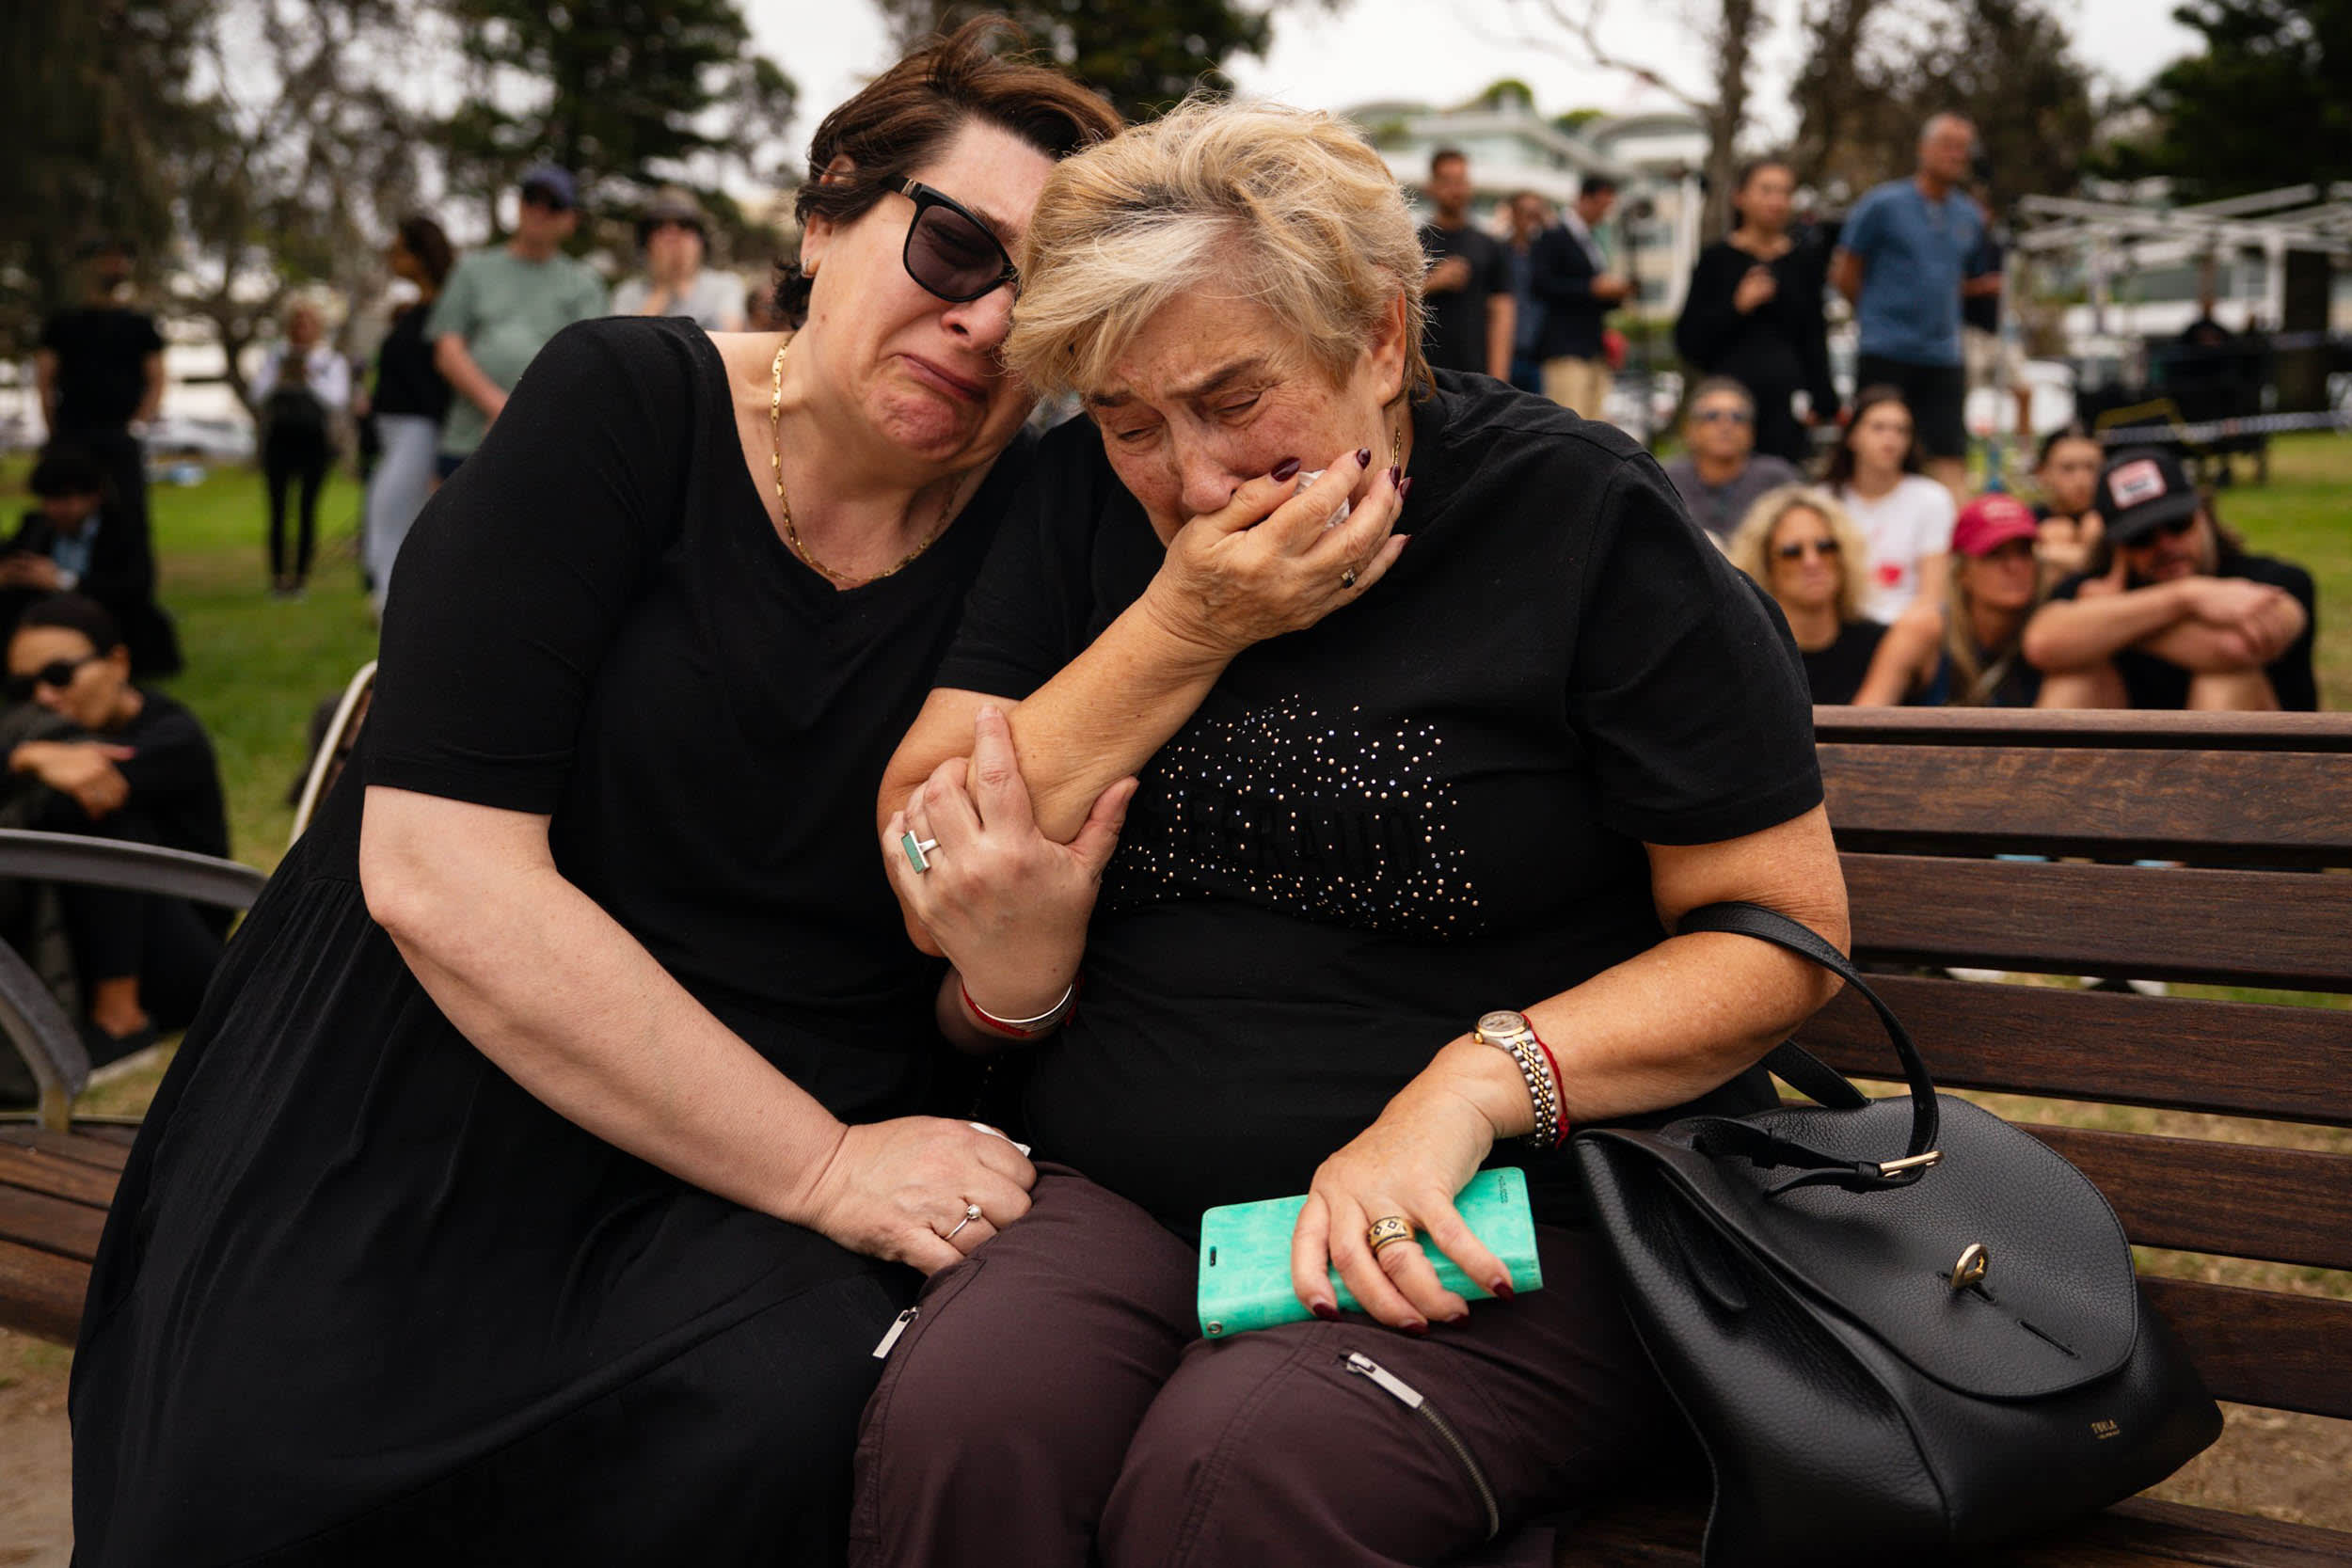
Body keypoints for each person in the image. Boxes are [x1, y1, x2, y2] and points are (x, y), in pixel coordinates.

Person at [68, 26, 1120, 1564]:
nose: (986, 320)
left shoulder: (1042, 522)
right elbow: (440, 874)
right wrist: (827, 1170)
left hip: (759, 1177)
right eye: (956, 244)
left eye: (1049, 301)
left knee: (781, 1419)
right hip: (429, 1087)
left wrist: (993, 1013)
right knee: (263, 1460)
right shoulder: (621, 405)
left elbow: (984, 935)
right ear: (827, 215)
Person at [854, 100, 1847, 1568]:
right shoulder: (1081, 513)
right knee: (964, 1421)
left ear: (1381, 337)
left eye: (1235, 398)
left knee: (1242, 1476)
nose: (1193, 482)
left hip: (1509, 1208)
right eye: (1131, 422)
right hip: (1129, 1188)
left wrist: (1474, 1082)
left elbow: (1781, 931)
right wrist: (1186, 624)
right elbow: (921, 855)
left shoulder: (1574, 518)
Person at [1, 594, 228, 1063]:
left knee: (95, 807)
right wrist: (26, 757)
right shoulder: (46, 738)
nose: (44, 697)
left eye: (59, 675)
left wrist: (25, 760)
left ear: (118, 662)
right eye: (25, 688)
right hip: (75, 941)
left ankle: (121, 1020)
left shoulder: (174, 737)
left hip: (180, 956)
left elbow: (87, 785)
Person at [2025, 448, 2316, 712]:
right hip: (2130, 764)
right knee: (2075, 681)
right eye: (2142, 536)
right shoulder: (2098, 583)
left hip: (2269, 767)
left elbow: (2236, 647)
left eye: (2177, 524)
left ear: (2203, 513)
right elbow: (2042, 642)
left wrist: (2113, 622)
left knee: (2226, 680)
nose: (2165, 546)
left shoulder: (2271, 578)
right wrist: (2187, 597)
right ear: (2116, 547)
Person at [1830, 114, 1996, 494]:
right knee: (1876, 449)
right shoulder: (1882, 205)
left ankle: (1954, 547)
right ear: (1923, 149)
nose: (1956, 155)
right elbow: (1845, 271)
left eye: (1962, 148)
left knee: (1948, 452)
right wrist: (1874, 315)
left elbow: (1953, 281)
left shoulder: (1969, 216)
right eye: (1947, 145)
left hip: (1943, 355)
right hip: (1885, 349)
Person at [426, 164, 606, 480]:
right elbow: (447, 349)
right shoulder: (472, 269)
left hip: (547, 445)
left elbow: (591, 366)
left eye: (553, 205)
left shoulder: (585, 284)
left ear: (570, 220)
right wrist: (496, 404)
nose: (539, 210)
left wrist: (526, 414)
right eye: (531, 198)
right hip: (468, 441)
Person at [1674, 157, 1839, 465]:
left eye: (1784, 192)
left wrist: (1824, 399)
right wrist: (1737, 306)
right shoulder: (1716, 260)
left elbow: (1815, 335)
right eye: (1766, 190)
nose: (1776, 201)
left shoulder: (1804, 261)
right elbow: (1689, 341)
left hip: (1787, 409)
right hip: (1731, 408)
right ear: (1740, 197)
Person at [34, 239, 165, 607]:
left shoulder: (139, 324)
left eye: (120, 259)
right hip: (74, 433)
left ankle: (138, 597)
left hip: (118, 435)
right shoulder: (64, 323)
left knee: (131, 515)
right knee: (63, 511)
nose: (113, 266)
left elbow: (156, 377)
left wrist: (137, 425)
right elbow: (45, 377)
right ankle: (55, 586)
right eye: (106, 259)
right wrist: (54, 430)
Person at [3, 448, 180, 678]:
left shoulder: (121, 529)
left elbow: (134, 589)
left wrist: (62, 581)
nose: (54, 509)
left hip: (113, 628)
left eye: (64, 499)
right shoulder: (36, 527)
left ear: (94, 497)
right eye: (47, 499)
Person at [1861, 492, 2046, 706]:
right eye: (1994, 554)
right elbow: (1864, 720)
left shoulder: (2051, 636)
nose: (2014, 566)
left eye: (2024, 552)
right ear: (1961, 572)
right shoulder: (1924, 631)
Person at [362, 215, 455, 615]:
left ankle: (394, 608)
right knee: (385, 516)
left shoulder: (445, 307)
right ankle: (394, 606)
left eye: (399, 249)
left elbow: (440, 385)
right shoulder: (413, 309)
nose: (391, 256)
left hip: (421, 430)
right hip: (396, 431)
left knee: (391, 517)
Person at [1726, 484, 1891, 705]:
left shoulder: (1882, 646)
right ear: (1765, 566)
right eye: (1792, 552)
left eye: (1825, 547)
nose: (1812, 561)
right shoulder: (1749, 655)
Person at [1824, 383, 1955, 623]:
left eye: (1901, 430)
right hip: (1839, 626)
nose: (1891, 438)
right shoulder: (1823, 501)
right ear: (1852, 436)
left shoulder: (1932, 498)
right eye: (1878, 427)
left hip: (1906, 629)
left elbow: (1932, 598)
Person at [250, 298, 353, 596]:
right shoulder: (275, 357)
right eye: (296, 323)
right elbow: (257, 395)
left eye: (307, 323)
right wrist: (279, 375)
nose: (301, 329)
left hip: (313, 442)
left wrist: (310, 378)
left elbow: (337, 400)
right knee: (278, 511)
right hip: (279, 440)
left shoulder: (330, 360)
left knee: (308, 510)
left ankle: (301, 578)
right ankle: (278, 577)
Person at [1531, 173, 1632, 419]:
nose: (1604, 212)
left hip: (1593, 347)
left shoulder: (1591, 241)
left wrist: (1614, 294)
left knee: (1596, 423)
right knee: (1571, 420)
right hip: (1565, 348)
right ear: (1584, 199)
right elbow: (1540, 285)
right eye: (1601, 204)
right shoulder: (1553, 235)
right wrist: (1591, 288)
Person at [1661, 376, 1803, 545]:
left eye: (1737, 417)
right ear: (1690, 429)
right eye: (1712, 416)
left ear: (1751, 431)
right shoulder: (1666, 479)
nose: (1726, 425)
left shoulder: (1777, 480)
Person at [1416, 149, 1513, 381]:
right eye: (1447, 181)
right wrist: (1432, 282)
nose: (1455, 189)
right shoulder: (1413, 243)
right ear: (1432, 186)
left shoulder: (1489, 245)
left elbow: (1503, 312)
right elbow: (1393, 303)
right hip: (1425, 375)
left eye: (1461, 181)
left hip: (1477, 375)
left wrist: (1499, 379)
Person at [612, 186, 746, 332]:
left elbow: (730, 336)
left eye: (684, 226)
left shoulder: (725, 285)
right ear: (646, 243)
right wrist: (663, 288)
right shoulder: (627, 292)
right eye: (659, 228)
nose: (673, 236)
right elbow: (623, 346)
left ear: (701, 241)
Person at [2031, 424, 2104, 578]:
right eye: (2068, 468)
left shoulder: (2118, 519)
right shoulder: (2028, 522)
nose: (2081, 480)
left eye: (2091, 467)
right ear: (2042, 473)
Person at [1503, 190, 1551, 394]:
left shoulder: (1547, 255)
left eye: (1536, 214)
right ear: (1513, 214)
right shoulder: (1499, 252)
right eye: (1526, 212)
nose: (1531, 219)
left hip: (1539, 354)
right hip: (1506, 350)